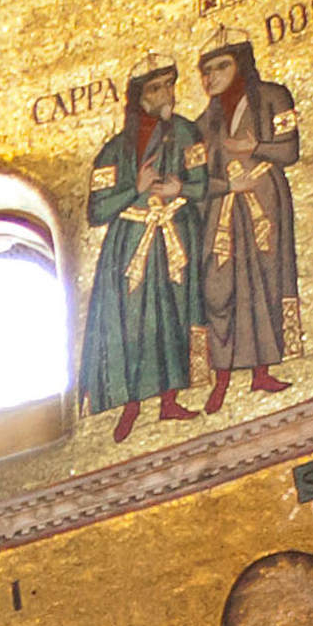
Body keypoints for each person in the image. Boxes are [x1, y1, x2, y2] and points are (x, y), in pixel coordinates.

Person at [77, 65, 203, 441]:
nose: (166, 93)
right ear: (140, 97)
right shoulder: (115, 149)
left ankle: (170, 399)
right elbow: (97, 210)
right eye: (156, 87)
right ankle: (129, 404)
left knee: (174, 316)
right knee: (129, 323)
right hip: (130, 244)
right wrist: (136, 187)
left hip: (175, 234)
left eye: (169, 85)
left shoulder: (185, 133)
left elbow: (203, 183)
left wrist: (180, 187)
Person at [191, 40, 304, 402]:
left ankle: (262, 373)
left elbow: (290, 150)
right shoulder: (200, 125)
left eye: (220, 67)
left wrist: (253, 149)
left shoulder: (273, 97)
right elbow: (193, 183)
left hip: (264, 203)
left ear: (240, 65)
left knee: (265, 282)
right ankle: (220, 377)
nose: (211, 78)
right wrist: (225, 185)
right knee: (218, 289)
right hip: (221, 210)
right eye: (205, 72)